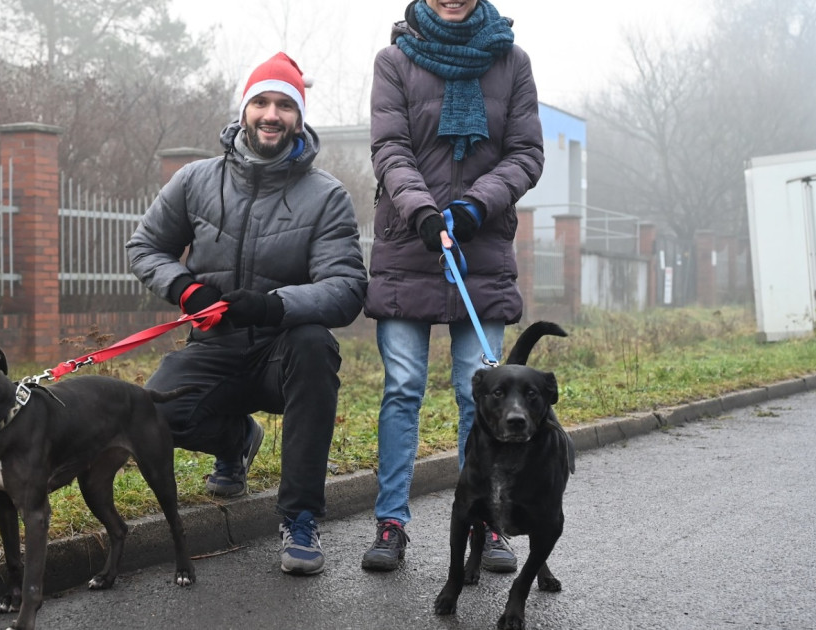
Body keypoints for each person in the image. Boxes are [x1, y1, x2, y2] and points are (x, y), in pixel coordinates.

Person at [126, 51, 367, 576]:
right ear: (244, 111)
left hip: (283, 352)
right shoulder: (195, 180)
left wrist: (275, 305)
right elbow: (145, 247)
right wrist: (185, 288)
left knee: (315, 345)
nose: (271, 114)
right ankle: (237, 441)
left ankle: (300, 517)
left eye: (285, 104)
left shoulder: (326, 196)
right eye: (261, 102)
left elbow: (347, 289)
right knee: (154, 413)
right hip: (214, 346)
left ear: (298, 117)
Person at [359, 0, 544, 574]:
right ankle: (391, 522)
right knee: (403, 388)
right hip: (407, 245)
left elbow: (526, 154)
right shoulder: (394, 60)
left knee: (478, 394)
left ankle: (489, 521)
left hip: (481, 249)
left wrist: (472, 208)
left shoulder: (512, 61)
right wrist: (422, 211)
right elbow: (389, 149)